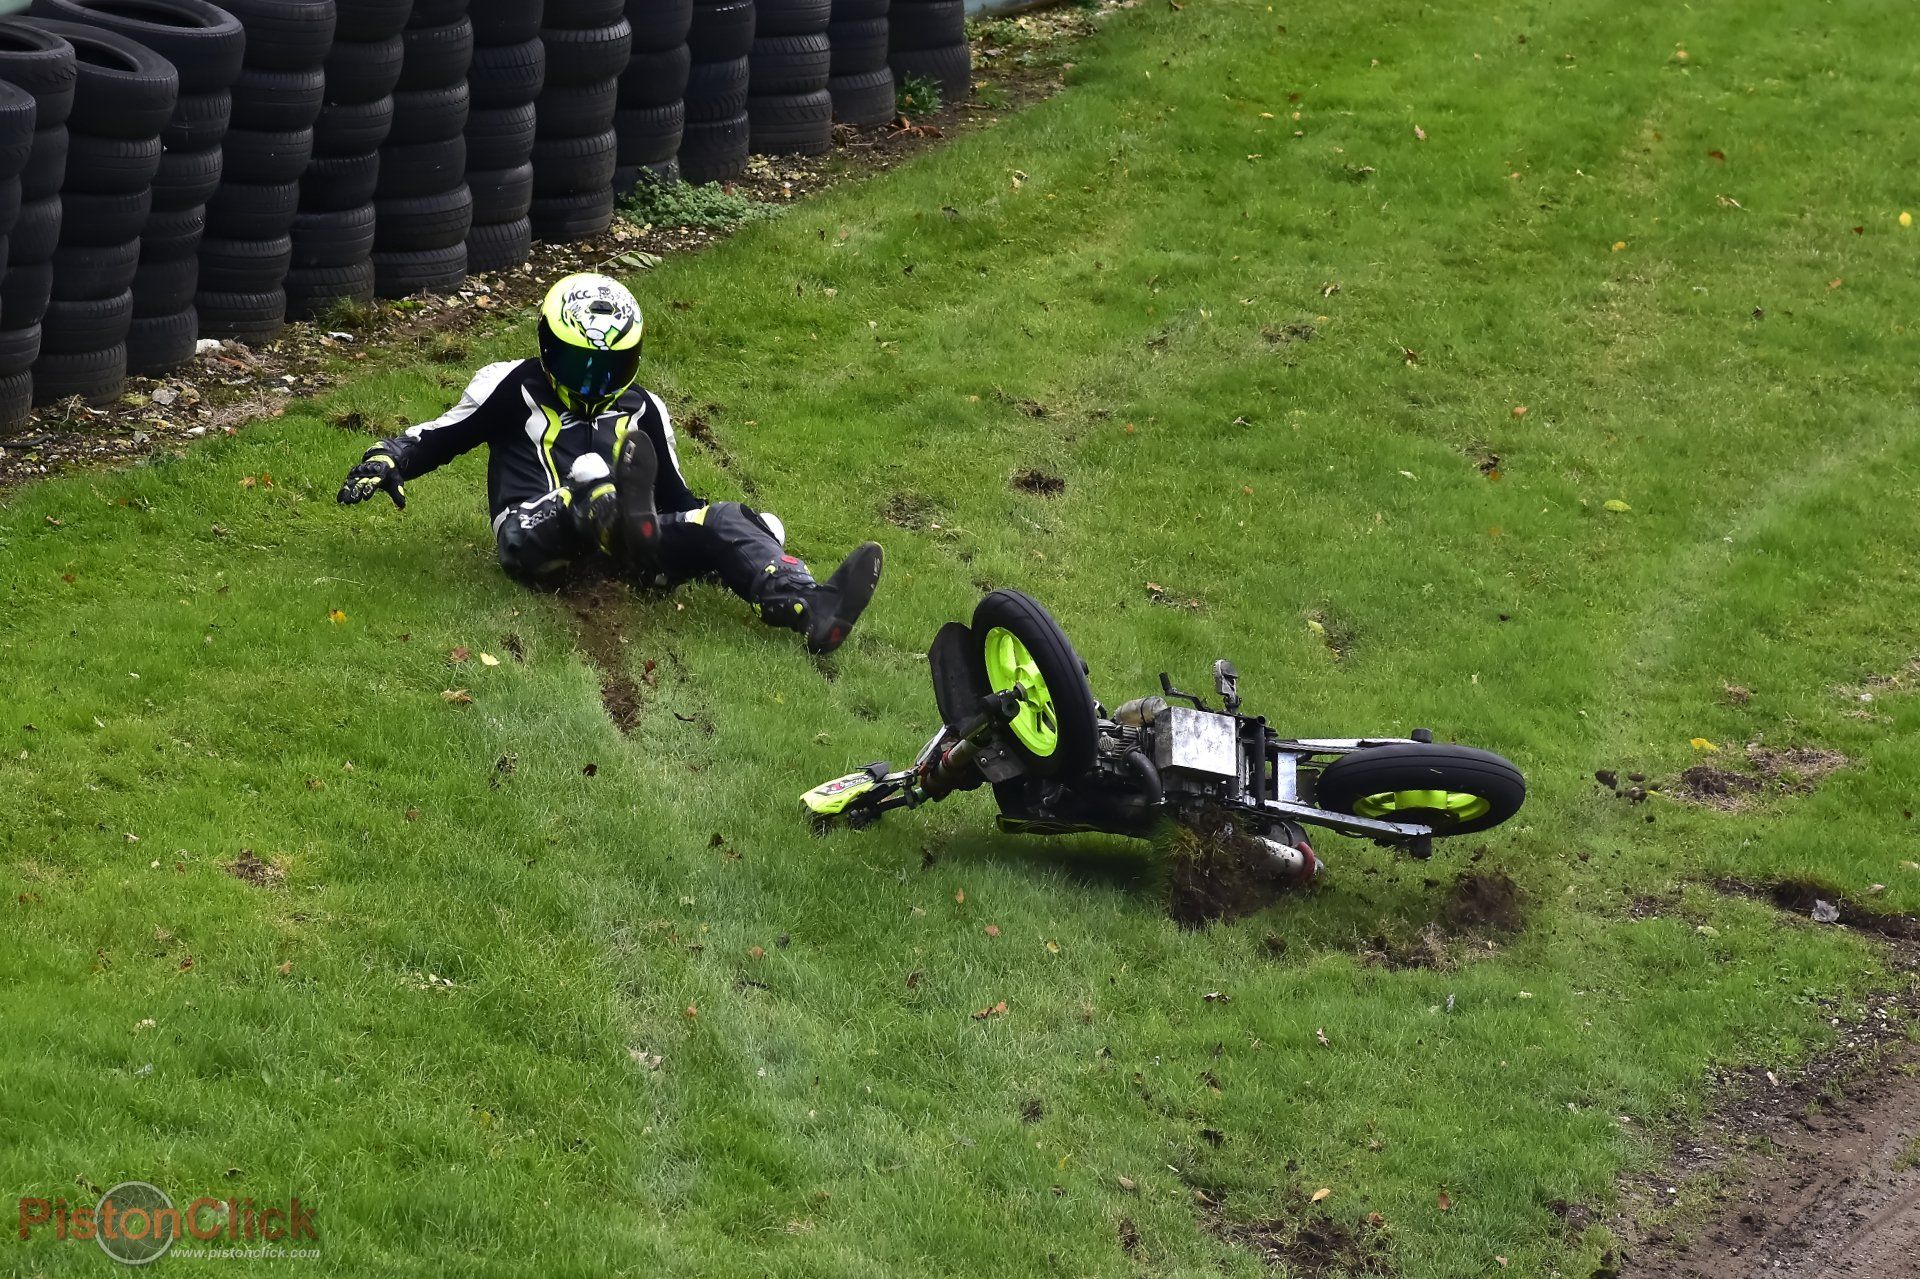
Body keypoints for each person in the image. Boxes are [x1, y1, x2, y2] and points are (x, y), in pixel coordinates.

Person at [335, 273, 882, 655]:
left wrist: (738, 538)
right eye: (580, 364)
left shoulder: (643, 406)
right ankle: (604, 509)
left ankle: (811, 607)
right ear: (548, 349)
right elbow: (437, 437)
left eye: (609, 367)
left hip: (630, 556)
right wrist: (386, 458)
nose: (595, 382)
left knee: (728, 518)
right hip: (535, 533)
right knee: (589, 479)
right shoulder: (509, 384)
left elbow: (677, 500)